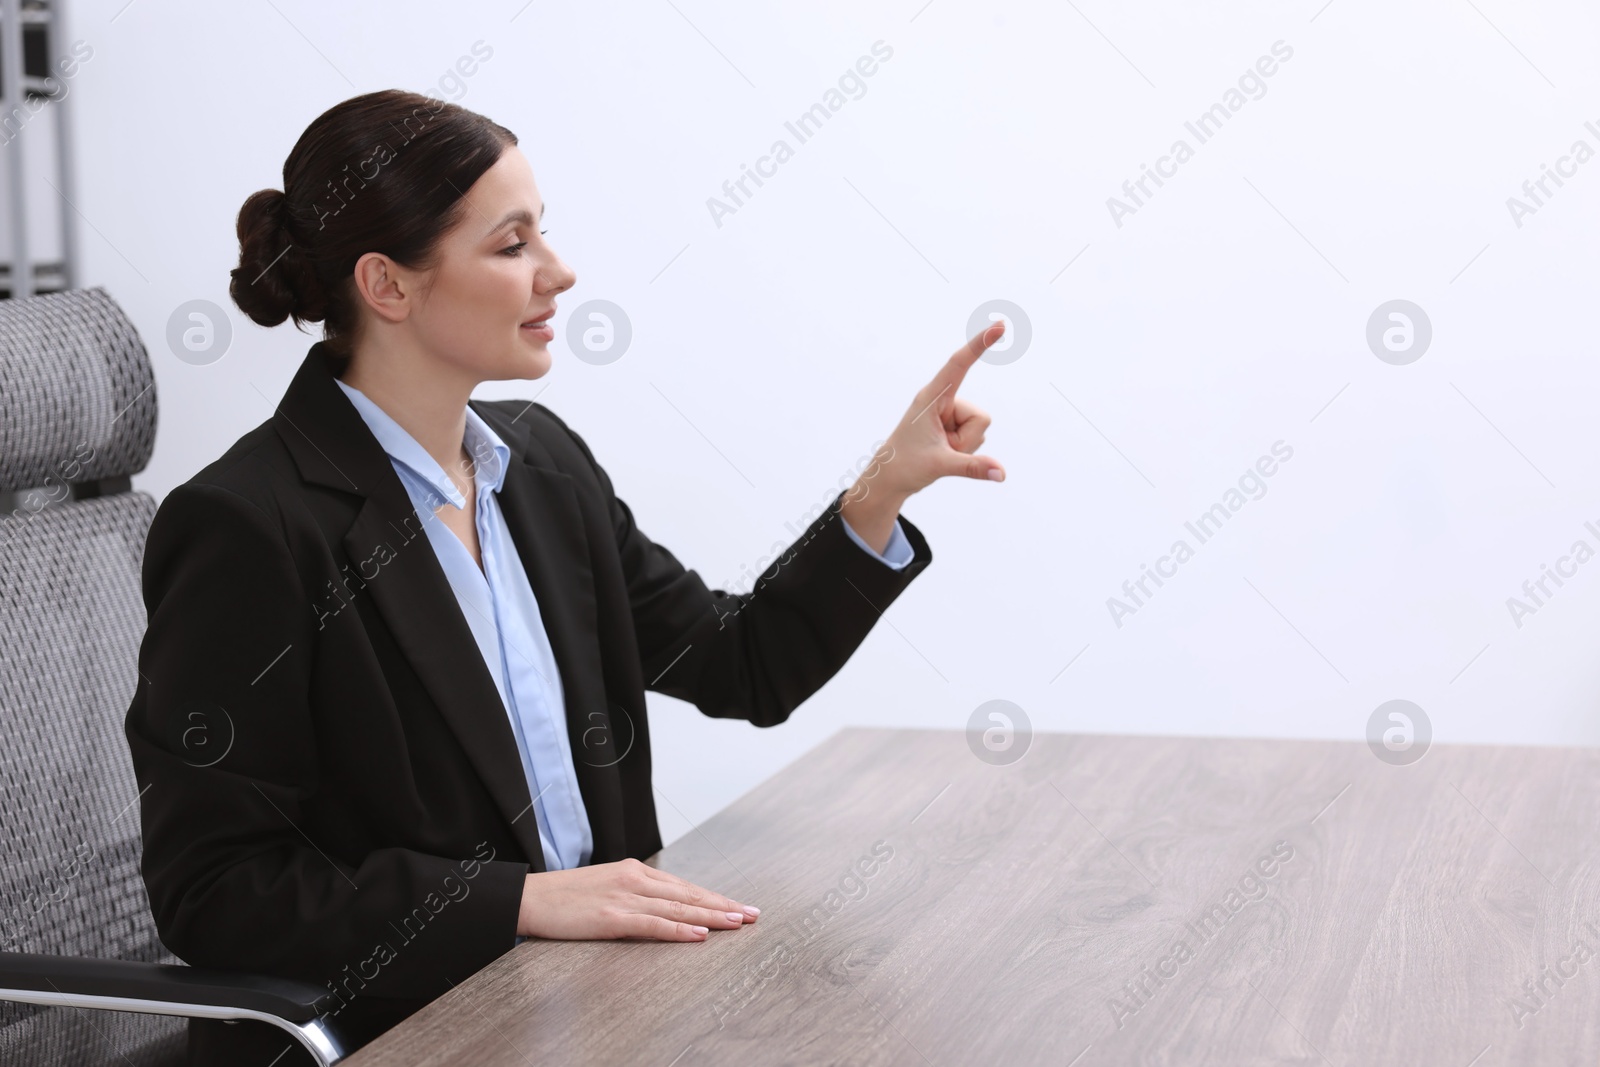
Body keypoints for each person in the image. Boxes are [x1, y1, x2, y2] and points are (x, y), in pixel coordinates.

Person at [123, 88, 1005, 1066]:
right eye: (512, 246)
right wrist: (523, 902)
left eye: (545, 235)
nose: (560, 271)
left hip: (597, 1008)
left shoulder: (539, 466)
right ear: (388, 285)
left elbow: (738, 662)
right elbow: (218, 891)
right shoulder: (251, 522)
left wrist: (882, 485)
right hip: (415, 1030)